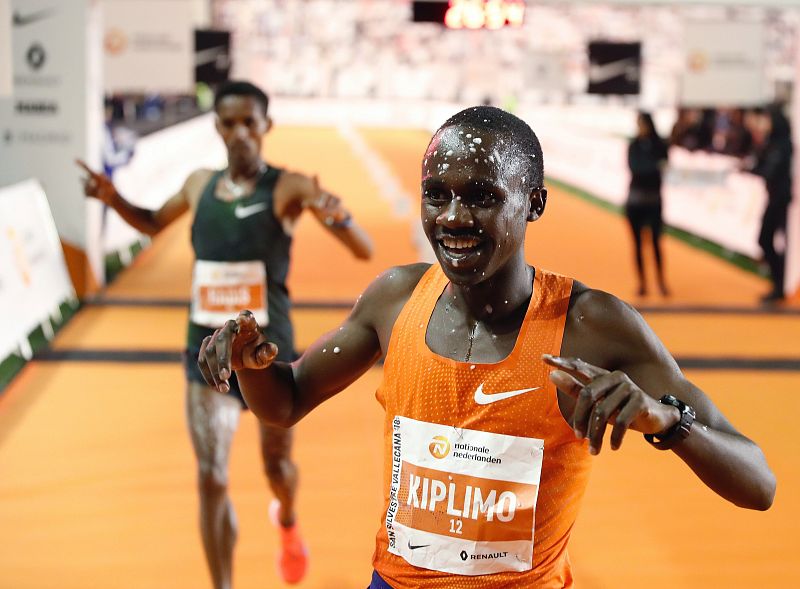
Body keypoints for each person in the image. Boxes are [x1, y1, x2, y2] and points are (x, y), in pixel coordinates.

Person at [198, 106, 775, 588]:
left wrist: (664, 419)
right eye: (435, 195)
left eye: (481, 196)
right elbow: (285, 402)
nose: (453, 218)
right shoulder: (396, 299)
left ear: (535, 203)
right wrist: (251, 365)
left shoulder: (591, 324)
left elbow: (758, 484)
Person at [77, 80, 373, 588]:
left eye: (249, 123)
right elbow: (151, 224)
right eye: (229, 123)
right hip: (208, 352)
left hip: (267, 354)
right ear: (216, 128)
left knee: (276, 471)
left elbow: (363, 249)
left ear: (266, 127)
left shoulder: (289, 186)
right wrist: (113, 198)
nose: (240, 133)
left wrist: (337, 216)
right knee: (211, 477)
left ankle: (286, 520)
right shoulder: (198, 185)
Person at [744, 106, 793, 303]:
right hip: (774, 198)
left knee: (768, 240)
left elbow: (769, 170)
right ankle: (777, 284)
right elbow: (761, 165)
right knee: (767, 240)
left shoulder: (783, 145)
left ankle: (779, 285)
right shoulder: (771, 143)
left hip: (780, 200)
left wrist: (754, 170)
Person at [626, 111, 670, 297]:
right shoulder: (634, 145)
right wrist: (654, 167)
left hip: (653, 201)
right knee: (637, 244)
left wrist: (651, 167)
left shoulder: (659, 145)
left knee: (656, 242)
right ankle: (642, 283)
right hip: (636, 201)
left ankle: (661, 281)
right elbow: (636, 168)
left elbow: (663, 167)